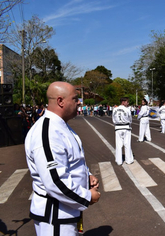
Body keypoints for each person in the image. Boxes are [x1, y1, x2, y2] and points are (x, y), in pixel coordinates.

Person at [25, 82, 100, 236]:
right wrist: (88, 197)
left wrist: (87, 176)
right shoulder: (48, 132)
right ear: (60, 101)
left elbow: (71, 160)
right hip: (56, 216)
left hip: (65, 211)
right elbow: (55, 181)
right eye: (75, 99)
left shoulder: (60, 126)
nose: (79, 102)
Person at [112, 97, 134, 165]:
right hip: (126, 127)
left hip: (118, 127)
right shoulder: (127, 110)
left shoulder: (115, 109)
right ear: (123, 102)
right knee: (127, 144)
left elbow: (113, 119)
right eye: (127, 102)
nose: (128, 103)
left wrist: (117, 123)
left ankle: (119, 161)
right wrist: (128, 123)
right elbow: (130, 119)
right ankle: (129, 160)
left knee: (118, 145)